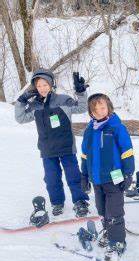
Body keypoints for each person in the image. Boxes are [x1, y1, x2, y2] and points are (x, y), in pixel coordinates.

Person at [15, 69, 90, 217]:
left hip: (67, 147)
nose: (42, 88)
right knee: (51, 178)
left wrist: (81, 93)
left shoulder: (63, 100)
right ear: (35, 88)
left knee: (73, 176)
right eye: (39, 86)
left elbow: (82, 107)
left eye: (45, 84)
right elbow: (21, 118)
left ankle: (80, 201)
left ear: (51, 84)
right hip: (47, 150)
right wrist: (21, 101)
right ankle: (57, 202)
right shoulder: (35, 105)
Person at [81, 93, 134, 261]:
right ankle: (108, 232)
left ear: (109, 107)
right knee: (102, 210)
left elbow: (127, 152)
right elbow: (84, 155)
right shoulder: (89, 131)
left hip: (114, 179)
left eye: (102, 107)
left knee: (114, 212)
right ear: (90, 112)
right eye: (94, 109)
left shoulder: (116, 127)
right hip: (96, 180)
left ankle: (117, 241)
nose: (99, 111)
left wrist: (128, 173)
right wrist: (84, 175)